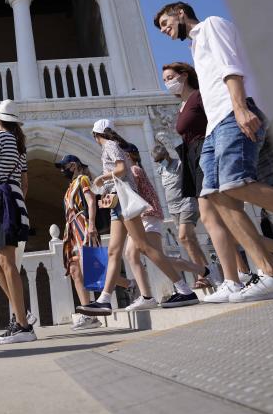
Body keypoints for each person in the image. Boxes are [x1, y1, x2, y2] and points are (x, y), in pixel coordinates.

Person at [154, 2, 273, 302]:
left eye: (166, 24)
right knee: (219, 199)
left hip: (233, 115)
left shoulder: (211, 26)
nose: (166, 32)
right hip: (214, 129)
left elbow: (230, 68)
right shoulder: (195, 45)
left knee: (236, 183)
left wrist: (241, 107)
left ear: (180, 12)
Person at [76, 119, 200, 317]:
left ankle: (184, 290)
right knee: (114, 252)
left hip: (123, 201)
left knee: (144, 247)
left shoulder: (110, 145)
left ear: (95, 135)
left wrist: (101, 178)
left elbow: (120, 169)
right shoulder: (113, 146)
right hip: (117, 202)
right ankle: (104, 300)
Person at [0, 99, 36, 344]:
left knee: (6, 262)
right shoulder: (20, 145)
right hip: (12, 200)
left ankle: (22, 325)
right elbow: (25, 184)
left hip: (2, 200)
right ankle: (22, 312)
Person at [122, 146, 208, 311]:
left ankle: (186, 284)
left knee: (155, 257)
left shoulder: (134, 170)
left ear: (128, 155)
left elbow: (128, 194)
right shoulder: (135, 170)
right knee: (134, 255)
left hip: (147, 216)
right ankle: (147, 296)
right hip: (142, 217)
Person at [151, 143, 214, 289]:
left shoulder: (179, 165)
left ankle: (202, 274)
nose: (160, 162)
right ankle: (208, 273)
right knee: (190, 241)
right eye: (157, 161)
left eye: (161, 159)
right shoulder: (161, 170)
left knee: (184, 237)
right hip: (173, 210)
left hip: (187, 203)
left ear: (167, 154)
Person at [55, 154, 102, 330]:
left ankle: (129, 285)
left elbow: (91, 202)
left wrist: (91, 225)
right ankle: (89, 314)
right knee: (75, 270)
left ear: (73, 166)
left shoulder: (83, 180)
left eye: (63, 167)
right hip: (72, 230)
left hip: (82, 225)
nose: (62, 171)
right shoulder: (70, 186)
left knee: (91, 267)